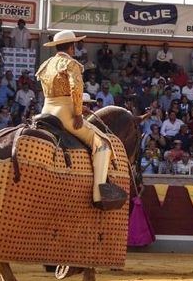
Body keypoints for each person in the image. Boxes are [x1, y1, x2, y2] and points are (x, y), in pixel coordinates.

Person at [35, 30, 127, 208]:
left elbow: (55, 93)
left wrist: (75, 106)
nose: (75, 49)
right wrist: (77, 113)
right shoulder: (71, 64)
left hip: (47, 110)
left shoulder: (47, 64)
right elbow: (76, 89)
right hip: (64, 114)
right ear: (71, 46)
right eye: (74, 45)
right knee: (102, 143)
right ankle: (99, 193)